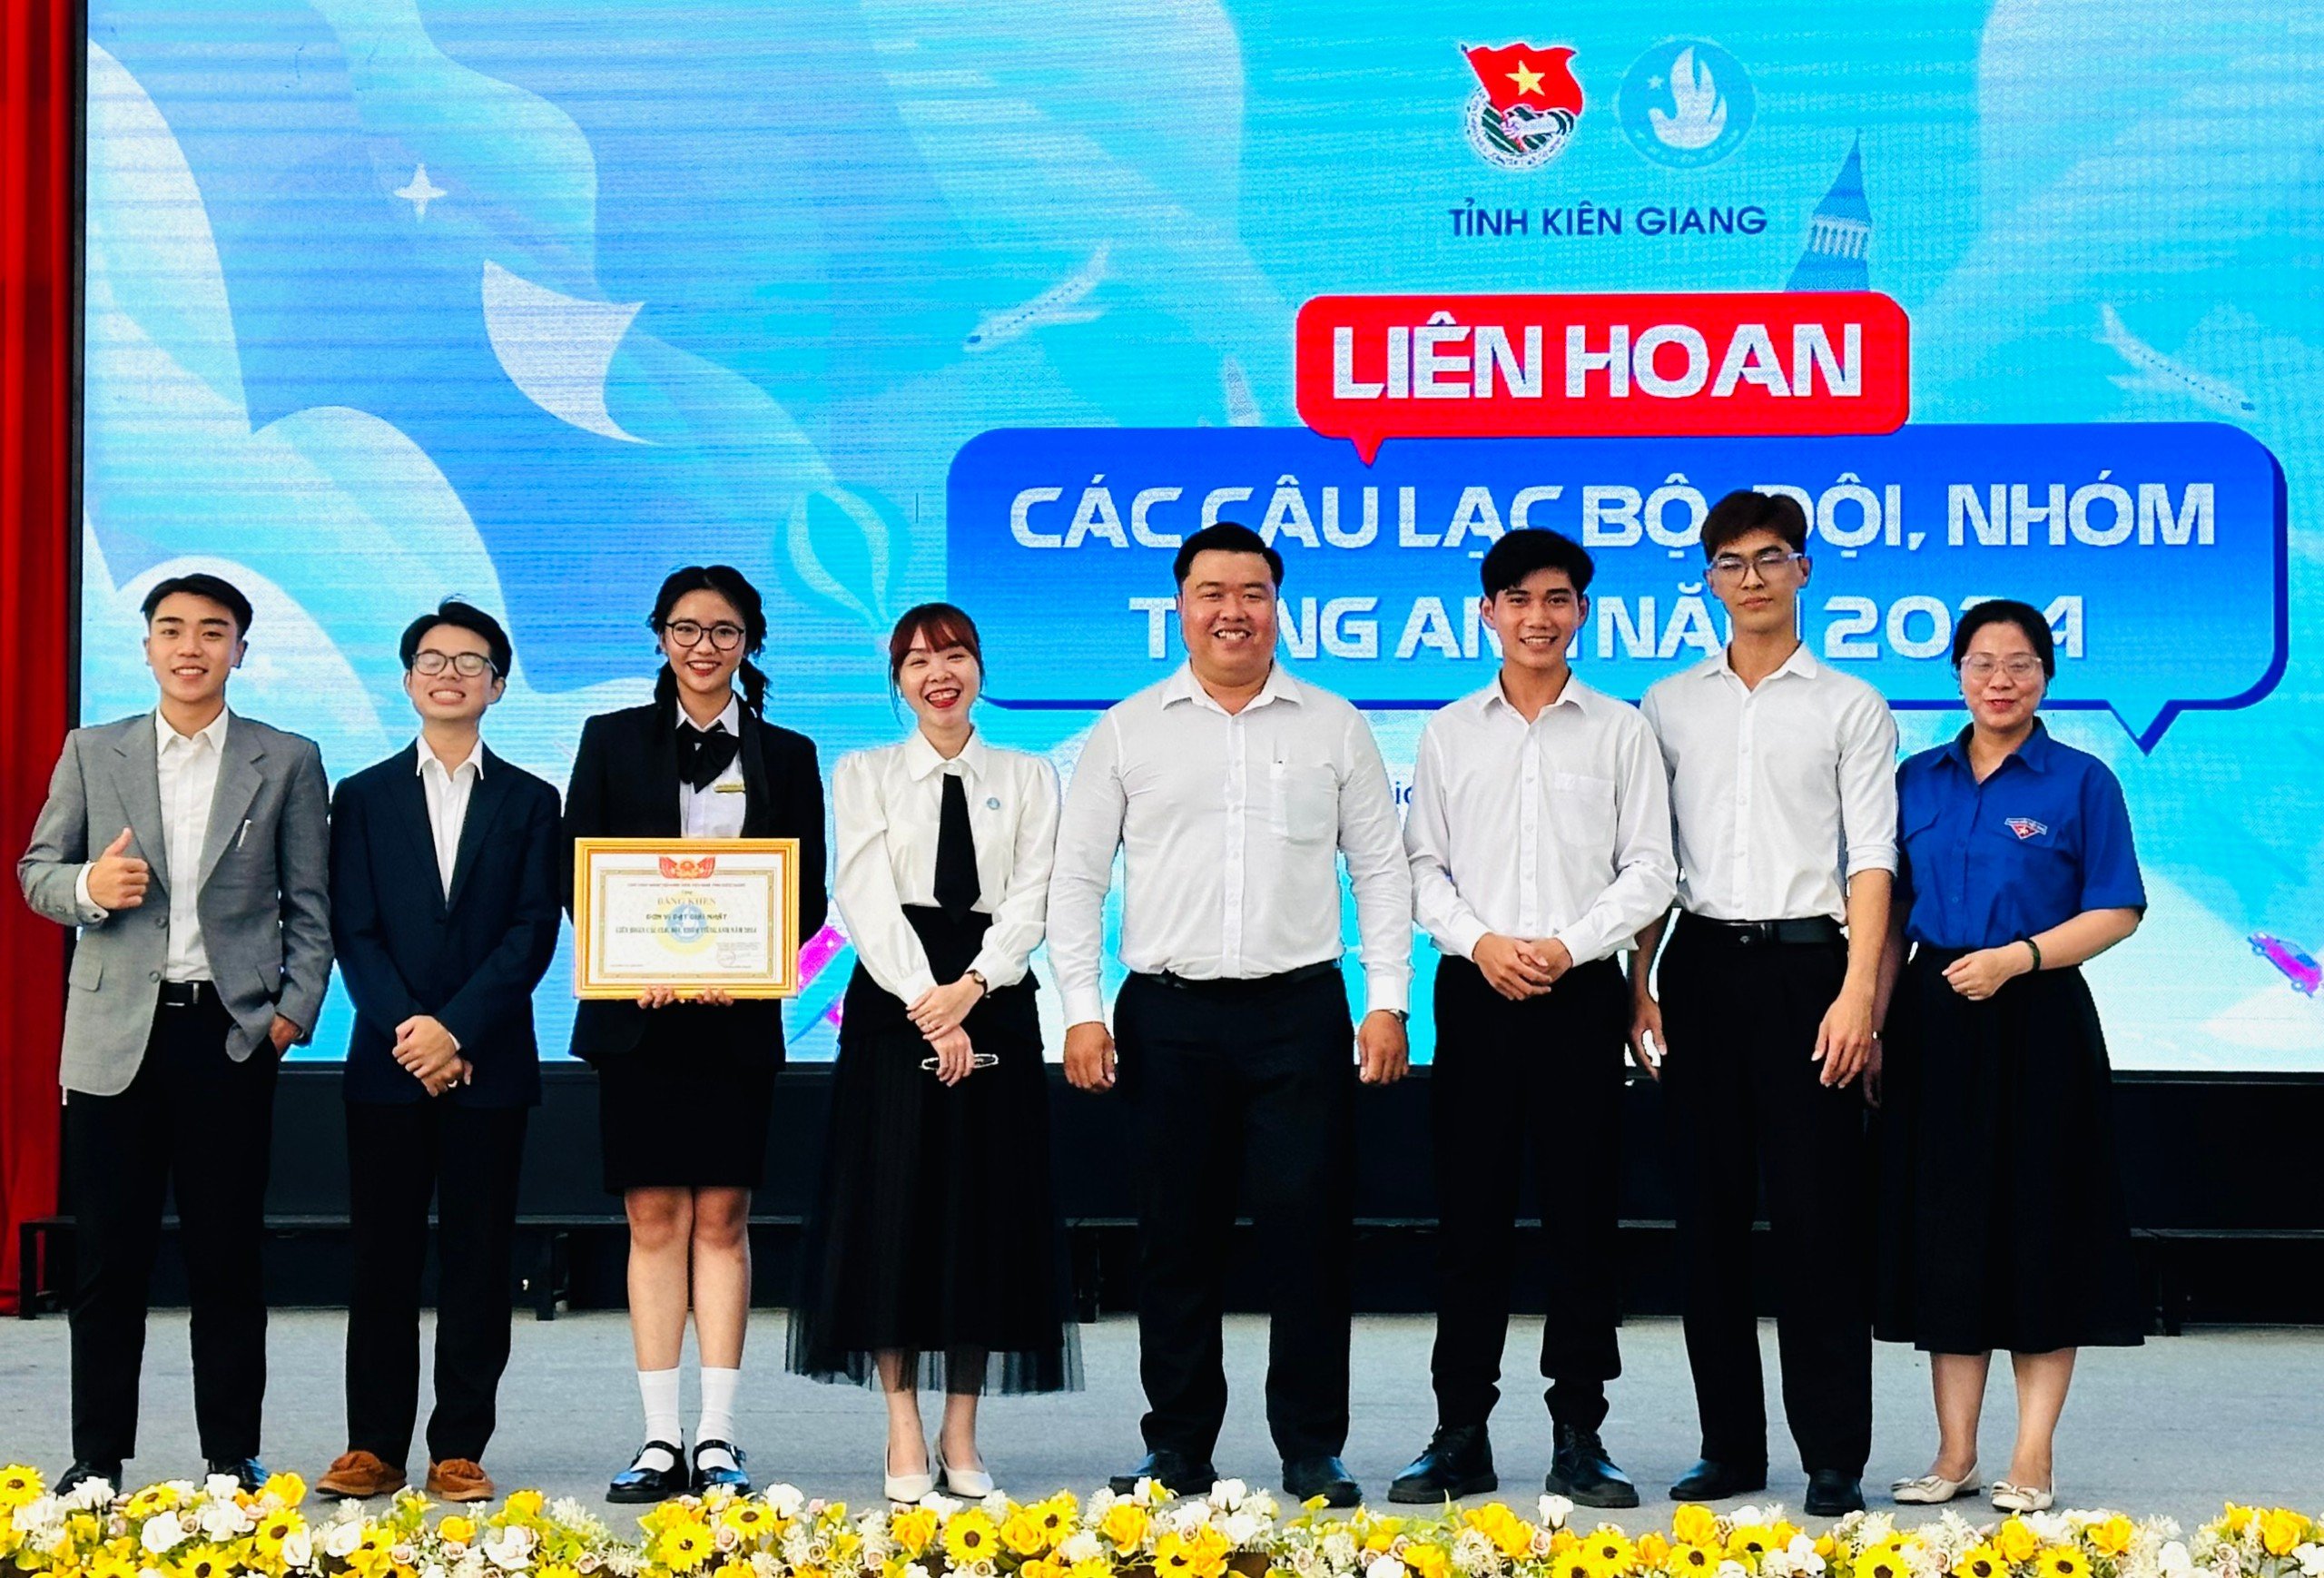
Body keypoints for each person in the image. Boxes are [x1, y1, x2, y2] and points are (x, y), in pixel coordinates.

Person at [1051, 522, 1412, 1509]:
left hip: (1299, 1012)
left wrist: (1387, 1000)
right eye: (1211, 593)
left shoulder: (1332, 724)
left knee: (1310, 1237)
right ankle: (1177, 1447)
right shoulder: (1128, 728)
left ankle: (1312, 1447)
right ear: (1180, 606)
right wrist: (1080, 1010)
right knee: (1175, 1240)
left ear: (1277, 606)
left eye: (1252, 593)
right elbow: (1076, 880)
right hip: (1166, 1018)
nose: (1232, 611)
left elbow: (1381, 871)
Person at [16, 572, 332, 1496]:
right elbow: (37, 870)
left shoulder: (288, 758)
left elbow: (310, 903)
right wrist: (88, 888)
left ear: (241, 648)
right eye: (171, 629)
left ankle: (230, 1454)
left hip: (229, 1035)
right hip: (114, 1033)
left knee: (226, 1257)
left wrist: (291, 1012)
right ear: (148, 646)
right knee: (106, 1260)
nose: (190, 646)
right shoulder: (93, 750)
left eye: (212, 631)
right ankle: (96, 1458)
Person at [1387, 529, 1673, 1511]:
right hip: (1476, 991)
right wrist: (1479, 942)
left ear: (1583, 612)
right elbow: (1420, 865)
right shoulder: (1448, 731)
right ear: (1487, 613)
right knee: (1469, 1221)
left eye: (1557, 599)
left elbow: (1651, 868)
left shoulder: (1620, 730)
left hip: (1579, 994)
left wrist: (1569, 944)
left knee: (1582, 1220)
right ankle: (1458, 1432)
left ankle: (1580, 1433)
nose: (1537, 617)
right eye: (1517, 599)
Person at [1627, 491, 1897, 1516]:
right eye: (1731, 563)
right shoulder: (1667, 704)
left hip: (1808, 972)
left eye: (1771, 558)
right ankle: (1729, 1445)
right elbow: (1651, 859)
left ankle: (1833, 1454)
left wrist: (1858, 996)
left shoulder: (1849, 704)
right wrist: (1639, 982)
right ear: (1708, 580)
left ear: (1803, 570)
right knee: (1707, 1221)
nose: (1752, 578)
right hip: (1699, 967)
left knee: (1820, 1221)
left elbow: (1871, 858)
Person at [788, 603, 1079, 1501]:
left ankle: (962, 1428)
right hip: (895, 996)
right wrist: (930, 1003)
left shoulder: (1029, 774)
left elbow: (1034, 892)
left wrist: (973, 988)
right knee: (894, 1214)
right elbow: (863, 893)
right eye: (917, 661)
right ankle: (903, 1425)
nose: (938, 674)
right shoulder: (863, 771)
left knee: (982, 1217)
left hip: (995, 996)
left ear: (979, 667)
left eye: (953, 655)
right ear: (897, 680)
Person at [563, 565, 829, 1502]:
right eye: (685, 628)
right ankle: (657, 1438)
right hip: (636, 1017)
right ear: (660, 636)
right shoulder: (609, 739)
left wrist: (745, 963)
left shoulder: (787, 753)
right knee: (651, 1218)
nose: (703, 646)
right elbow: (579, 873)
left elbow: (807, 896)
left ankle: (717, 1436)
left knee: (722, 1217)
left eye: (723, 631)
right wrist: (633, 957)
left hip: (734, 1020)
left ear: (749, 642)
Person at [1874, 598, 2146, 1514]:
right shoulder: (1917, 778)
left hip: (2038, 1015)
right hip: (1933, 1015)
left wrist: (2018, 959)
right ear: (1956, 674)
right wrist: (1875, 1025)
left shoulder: (2081, 781)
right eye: (1983, 663)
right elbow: (1888, 916)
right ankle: (1953, 1453)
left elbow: (2117, 908)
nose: (2001, 680)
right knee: (1947, 1232)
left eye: (2020, 663)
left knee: (2039, 1228)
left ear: (2046, 675)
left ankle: (2032, 1455)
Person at [315, 601, 563, 1504]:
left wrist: (456, 1031)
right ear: (408, 678)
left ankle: (460, 1444)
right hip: (388, 1065)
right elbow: (353, 928)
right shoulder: (362, 794)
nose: (449, 673)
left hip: (489, 1063)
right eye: (432, 659)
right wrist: (412, 1033)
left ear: (498, 685)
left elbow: (532, 932)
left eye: (469, 661)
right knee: (381, 1259)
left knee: (478, 1260)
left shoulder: (532, 799)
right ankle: (372, 1445)